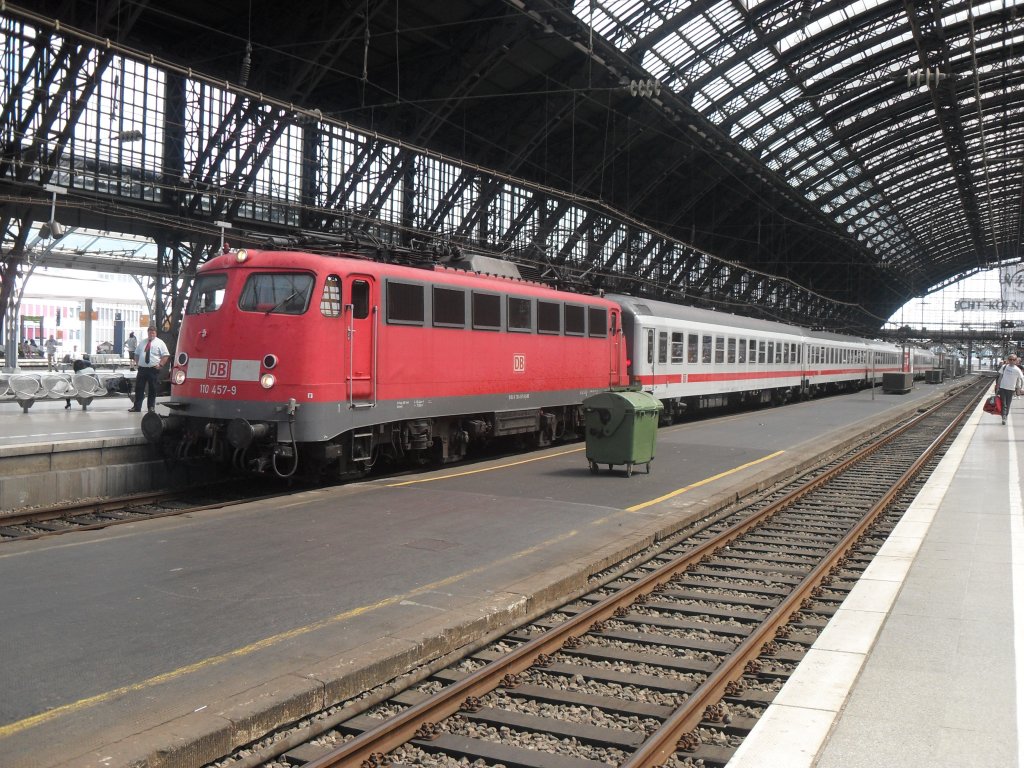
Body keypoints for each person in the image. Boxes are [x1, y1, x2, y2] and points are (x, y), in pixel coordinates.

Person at [129, 326, 170, 413]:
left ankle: (151, 407)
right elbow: (136, 354)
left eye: (153, 333)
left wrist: (160, 365)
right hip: (142, 369)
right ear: (147, 333)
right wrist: (138, 363)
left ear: (156, 333)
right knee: (139, 388)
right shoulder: (143, 342)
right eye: (150, 332)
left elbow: (165, 355)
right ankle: (137, 407)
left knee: (152, 389)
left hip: (153, 370)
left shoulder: (160, 343)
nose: (151, 334)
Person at [994, 353, 1024, 426]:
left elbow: (1022, 379)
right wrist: (997, 386)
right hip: (1002, 388)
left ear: (1016, 361)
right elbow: (1000, 377)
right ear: (1008, 360)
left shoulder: (1017, 370)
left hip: (1011, 389)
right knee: (1003, 403)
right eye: (1010, 359)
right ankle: (1004, 417)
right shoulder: (1004, 367)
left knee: (1008, 404)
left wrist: (1022, 388)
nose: (1012, 361)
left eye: (1013, 360)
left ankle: (1005, 416)